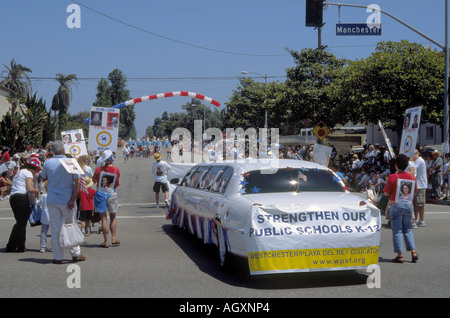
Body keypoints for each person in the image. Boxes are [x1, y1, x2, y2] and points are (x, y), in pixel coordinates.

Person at [41, 140, 85, 264]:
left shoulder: (48, 163)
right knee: (71, 225)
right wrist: (72, 199)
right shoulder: (70, 162)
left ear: (52, 152)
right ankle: (75, 253)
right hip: (67, 200)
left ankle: (58, 257)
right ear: (64, 150)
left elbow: (43, 178)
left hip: (52, 199)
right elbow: (77, 183)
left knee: (55, 229)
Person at [383, 154, 419, 263]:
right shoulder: (412, 177)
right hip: (408, 205)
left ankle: (400, 255)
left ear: (396, 165)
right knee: (408, 230)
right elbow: (415, 191)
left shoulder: (393, 177)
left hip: (396, 205)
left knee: (397, 231)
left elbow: (386, 193)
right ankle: (413, 251)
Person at [5, 158, 41, 253]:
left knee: (19, 223)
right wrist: (36, 191)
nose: (35, 173)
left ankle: (12, 245)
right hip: (21, 197)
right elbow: (30, 188)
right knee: (21, 223)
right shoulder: (28, 173)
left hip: (13, 197)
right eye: (35, 171)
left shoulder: (20, 172)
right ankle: (19, 246)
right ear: (33, 169)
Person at [93, 151, 120, 248]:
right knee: (113, 216)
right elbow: (116, 184)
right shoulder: (116, 170)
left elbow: (93, 180)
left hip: (100, 194)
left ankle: (106, 241)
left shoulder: (98, 169)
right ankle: (113, 238)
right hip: (111, 193)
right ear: (112, 159)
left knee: (103, 218)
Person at [413, 149, 428, 228]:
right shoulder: (418, 161)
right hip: (418, 184)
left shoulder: (419, 161)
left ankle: (421, 220)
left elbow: (413, 171)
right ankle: (417, 220)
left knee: (420, 204)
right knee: (417, 204)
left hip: (420, 185)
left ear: (416, 154)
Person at [36, 182, 50, 253]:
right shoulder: (55, 195)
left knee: (43, 233)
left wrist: (35, 197)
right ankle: (55, 247)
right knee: (55, 233)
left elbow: (38, 203)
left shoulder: (44, 196)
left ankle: (43, 247)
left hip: (45, 217)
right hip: (54, 217)